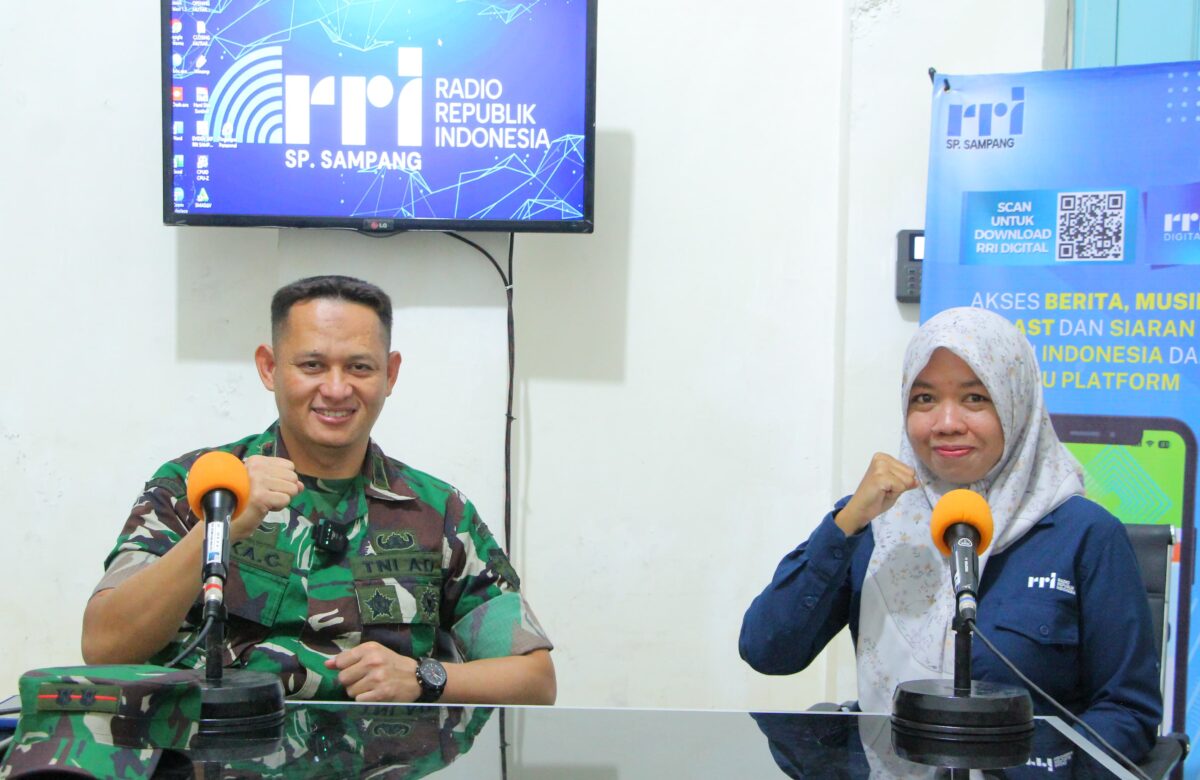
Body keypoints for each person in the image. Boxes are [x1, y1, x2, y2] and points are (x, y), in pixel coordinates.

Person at [82, 275, 555, 704]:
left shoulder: (438, 511)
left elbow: (535, 679)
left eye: (359, 367)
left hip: (380, 756)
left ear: (390, 374)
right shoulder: (199, 486)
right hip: (215, 752)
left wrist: (425, 676)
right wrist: (217, 531)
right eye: (312, 365)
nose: (336, 389)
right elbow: (104, 646)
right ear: (269, 368)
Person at [739, 306, 1161, 762]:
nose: (945, 423)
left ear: (1016, 402)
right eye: (924, 398)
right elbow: (769, 651)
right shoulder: (876, 523)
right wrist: (846, 525)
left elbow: (1126, 712)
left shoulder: (1085, 535)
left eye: (974, 398)